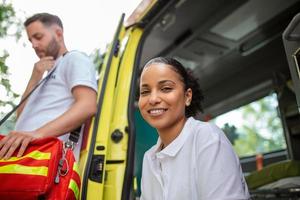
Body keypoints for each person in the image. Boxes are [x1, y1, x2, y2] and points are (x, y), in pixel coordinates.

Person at [138, 57, 250, 200]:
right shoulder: (149, 158)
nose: (153, 99)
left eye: (166, 88)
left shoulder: (207, 138)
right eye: (145, 92)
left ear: (187, 96)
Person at [0, 13, 98, 161]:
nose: (33, 44)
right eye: (30, 40)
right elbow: (21, 117)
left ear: (58, 34)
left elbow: (87, 105)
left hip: (46, 163)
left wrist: (37, 134)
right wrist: (35, 77)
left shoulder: (74, 58)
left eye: (38, 37)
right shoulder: (44, 73)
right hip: (23, 162)